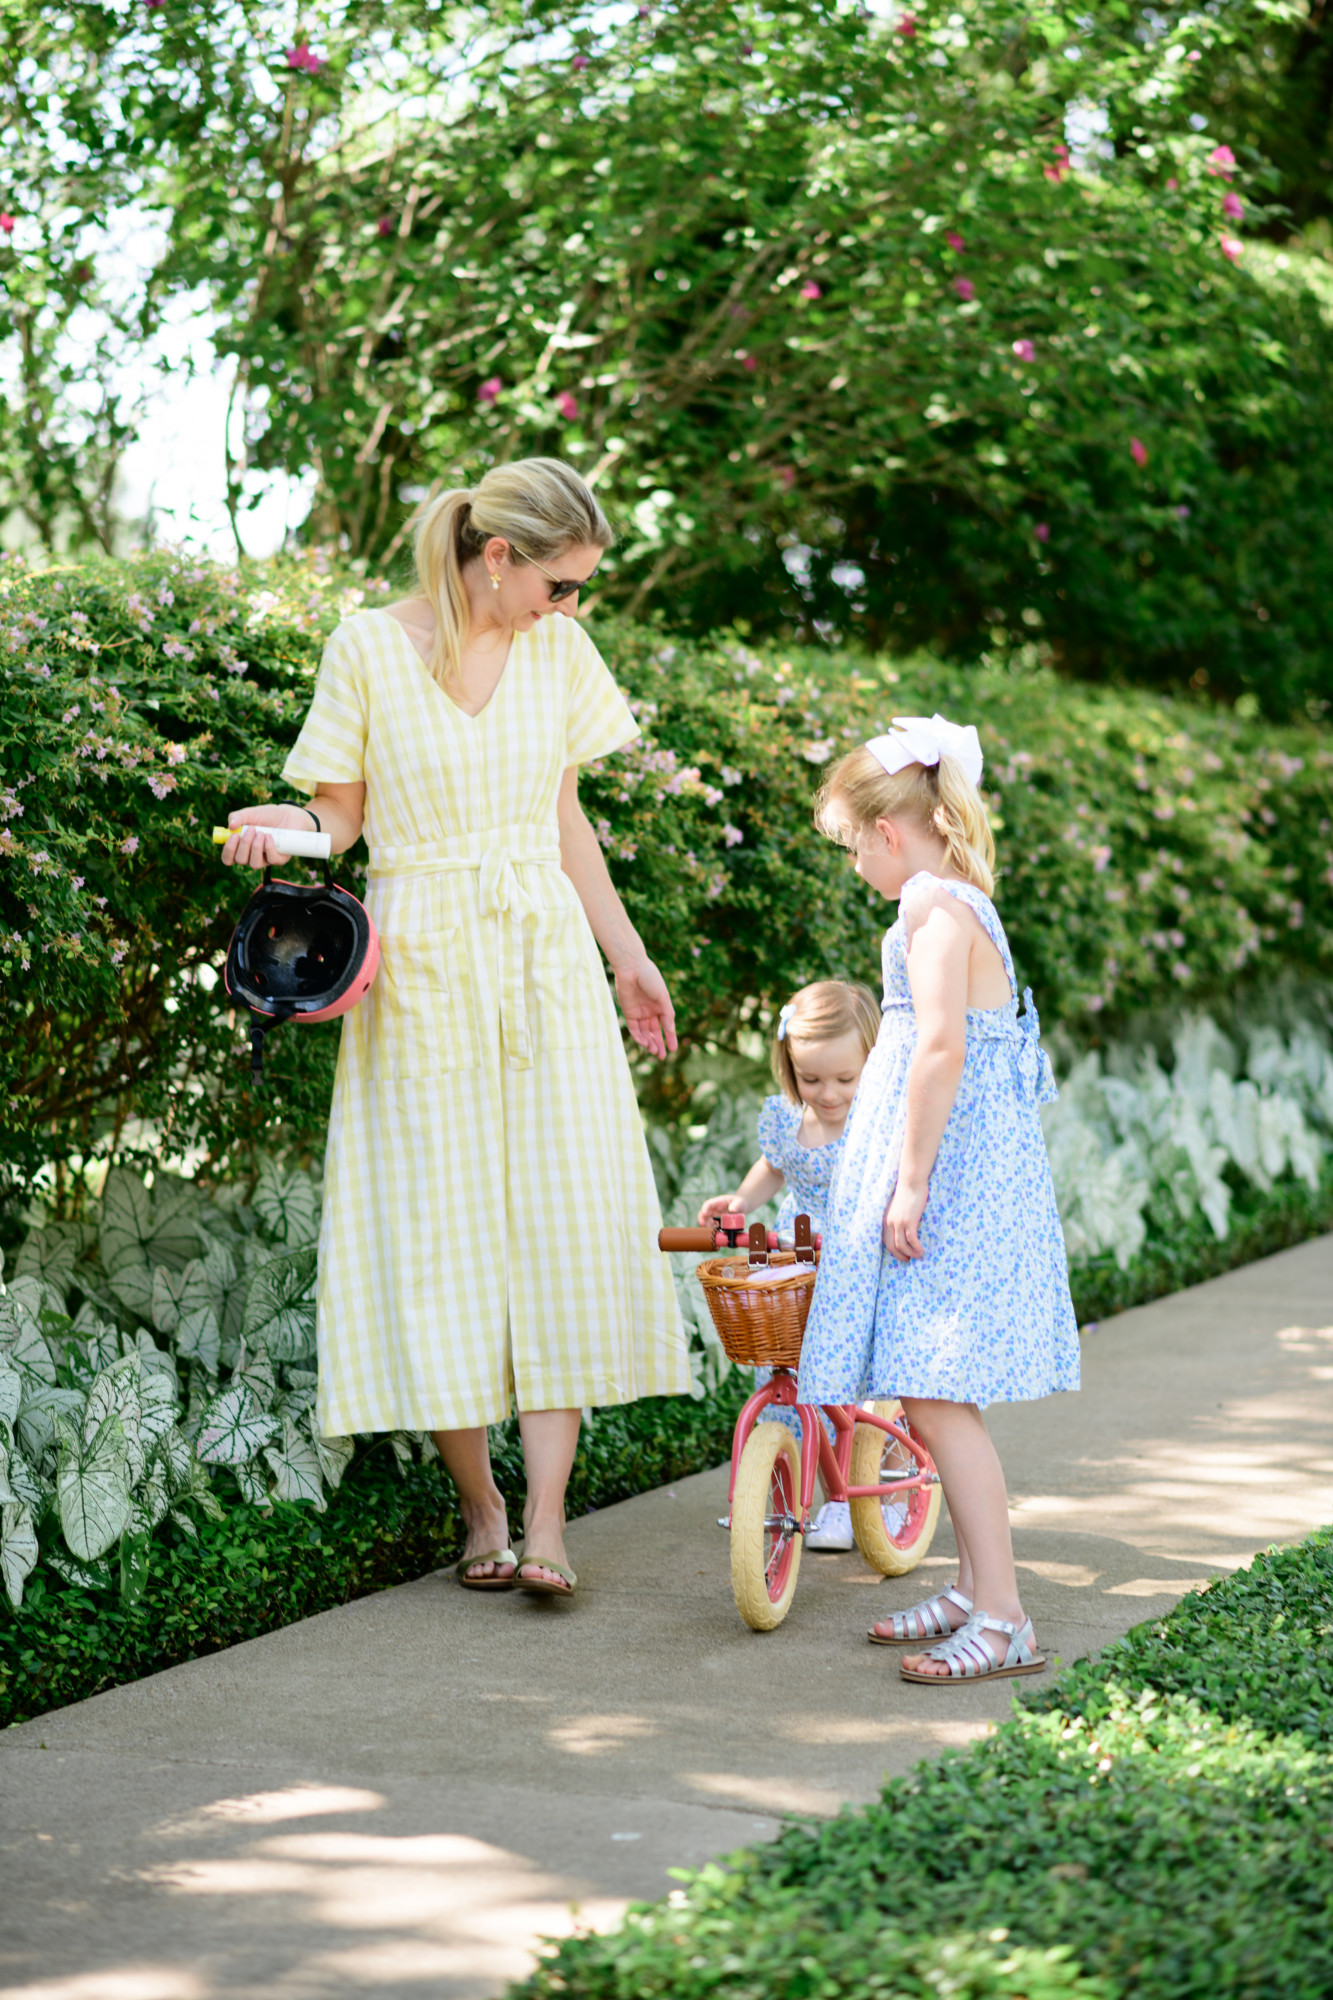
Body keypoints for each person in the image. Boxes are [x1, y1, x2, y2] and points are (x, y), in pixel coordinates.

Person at [221, 458, 690, 1601]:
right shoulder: (368, 648)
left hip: (543, 967)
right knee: (440, 1236)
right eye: (561, 583)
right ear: (498, 558)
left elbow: (565, 818)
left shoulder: (560, 654)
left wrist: (626, 954)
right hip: (422, 965)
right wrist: (285, 832)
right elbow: (340, 815)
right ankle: (479, 1503)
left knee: (563, 1226)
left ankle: (546, 1519)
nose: (570, 606)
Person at [798, 714, 1079, 1682]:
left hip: (951, 1175)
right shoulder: (953, 899)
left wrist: (908, 1180)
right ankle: (972, 1584)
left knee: (934, 1388)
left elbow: (938, 1048)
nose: (853, 865)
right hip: (965, 1166)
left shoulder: (930, 909)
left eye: (848, 845)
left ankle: (1003, 1616)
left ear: (886, 832)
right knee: (931, 1387)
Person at [698, 979, 880, 1551]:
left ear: (874, 1064)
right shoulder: (788, 1118)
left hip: (851, 1256)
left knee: (839, 1381)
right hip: (798, 1251)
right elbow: (774, 1167)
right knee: (780, 1368)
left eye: (845, 1079)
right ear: (790, 1066)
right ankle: (772, 1494)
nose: (827, 1093)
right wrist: (740, 1204)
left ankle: (846, 1501)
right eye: (812, 1078)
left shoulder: (875, 1122)